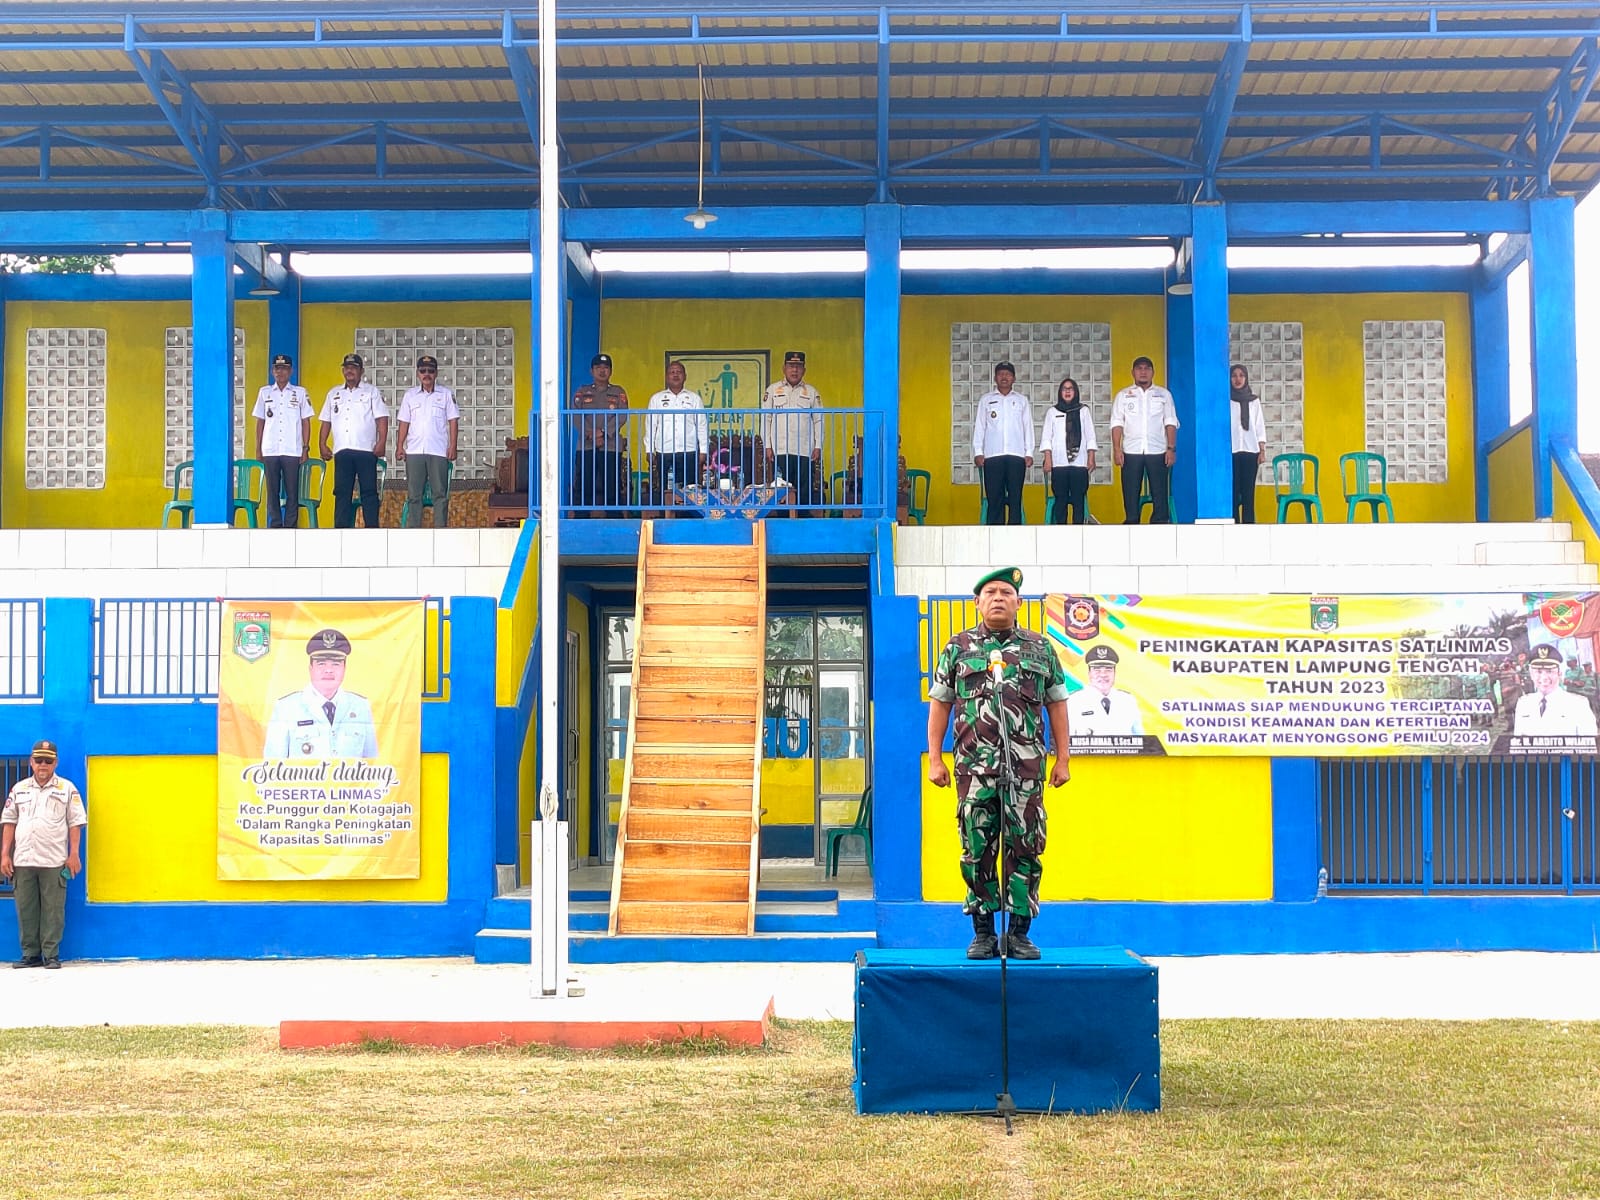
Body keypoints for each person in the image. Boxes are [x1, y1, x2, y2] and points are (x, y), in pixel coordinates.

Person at [927, 567, 1071, 961]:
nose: (998, 598)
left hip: (1025, 769)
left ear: (1019, 603)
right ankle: (984, 932)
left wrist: (1064, 758)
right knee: (977, 848)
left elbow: (1057, 703)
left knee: (1025, 846)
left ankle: (1020, 933)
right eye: (989, 592)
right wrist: (935, 759)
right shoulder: (958, 648)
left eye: (1006, 592)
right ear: (977, 602)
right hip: (974, 769)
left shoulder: (1039, 649)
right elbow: (940, 703)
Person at [1, 739, 86, 969]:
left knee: (53, 910)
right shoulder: (19, 789)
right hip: (23, 860)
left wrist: (74, 854)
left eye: (48, 761)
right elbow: (9, 822)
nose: (42, 765)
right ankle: (31, 955)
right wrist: (4, 855)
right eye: (38, 760)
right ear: (31, 761)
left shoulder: (67, 789)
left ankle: (51, 955)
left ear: (55, 763)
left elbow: (75, 823)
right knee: (26, 909)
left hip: (53, 861)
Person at [262, 629, 379, 759]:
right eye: (321, 663)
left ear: (344, 669)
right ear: (310, 668)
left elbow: (371, 766)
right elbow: (272, 767)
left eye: (336, 664)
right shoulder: (286, 707)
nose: (328, 670)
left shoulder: (360, 706)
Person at [319, 353, 390, 529]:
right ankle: (341, 531)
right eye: (347, 367)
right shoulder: (333, 393)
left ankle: (372, 530)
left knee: (368, 492)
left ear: (361, 371)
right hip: (342, 450)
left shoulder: (371, 391)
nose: (350, 371)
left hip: (366, 450)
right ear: (343, 370)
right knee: (342, 492)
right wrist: (322, 444)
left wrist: (381, 442)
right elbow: (326, 420)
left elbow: (381, 418)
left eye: (354, 367)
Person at [1109, 355, 1179, 525]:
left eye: (1147, 368)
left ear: (1153, 372)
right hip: (1131, 451)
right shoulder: (1124, 395)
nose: (1143, 372)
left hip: (1158, 451)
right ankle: (1132, 522)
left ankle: (1160, 522)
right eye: (1139, 368)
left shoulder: (1163, 395)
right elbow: (1117, 423)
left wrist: (1171, 449)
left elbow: (1170, 422)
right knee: (1130, 491)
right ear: (1133, 372)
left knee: (1160, 491)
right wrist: (1117, 449)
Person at [395, 354, 459, 528]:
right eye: (423, 371)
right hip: (414, 451)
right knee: (414, 495)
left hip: (438, 450)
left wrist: (453, 446)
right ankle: (414, 532)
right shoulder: (410, 395)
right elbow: (404, 422)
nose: (427, 374)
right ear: (418, 374)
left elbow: (453, 420)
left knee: (440, 494)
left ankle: (440, 531)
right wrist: (399, 446)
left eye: (430, 371)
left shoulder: (446, 394)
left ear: (436, 373)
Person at [762, 350, 825, 516]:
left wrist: (818, 446)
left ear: (804, 370)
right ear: (784, 368)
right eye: (791, 366)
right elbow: (765, 419)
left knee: (804, 491)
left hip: (804, 451)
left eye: (798, 366)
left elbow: (819, 420)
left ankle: (803, 522)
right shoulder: (773, 390)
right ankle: (783, 522)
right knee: (781, 491)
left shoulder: (812, 392)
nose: (794, 370)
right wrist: (767, 446)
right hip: (780, 450)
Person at [252, 353, 311, 529]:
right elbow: (260, 422)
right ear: (272, 371)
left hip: (292, 449)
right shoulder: (265, 392)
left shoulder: (299, 393)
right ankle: (276, 524)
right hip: (270, 449)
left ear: (290, 371)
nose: (280, 372)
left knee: (292, 491)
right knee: (273, 491)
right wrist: (258, 448)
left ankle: (291, 525)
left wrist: (305, 448)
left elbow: (305, 421)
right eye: (277, 368)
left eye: (284, 368)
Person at [972, 362, 1034, 526]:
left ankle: (1015, 536)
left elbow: (1028, 427)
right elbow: (980, 426)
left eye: (1007, 374)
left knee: (1015, 498)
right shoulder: (986, 400)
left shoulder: (1021, 400)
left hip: (1016, 456)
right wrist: (978, 451)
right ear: (995, 378)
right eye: (1000, 374)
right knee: (994, 499)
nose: (1004, 377)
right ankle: (993, 538)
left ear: (1013, 378)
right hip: (992, 456)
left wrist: (1029, 453)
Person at [570, 352, 630, 517]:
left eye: (606, 368)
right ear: (591, 371)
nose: (602, 371)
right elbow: (576, 415)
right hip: (586, 445)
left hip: (610, 446)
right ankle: (581, 519)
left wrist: (602, 433)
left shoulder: (618, 392)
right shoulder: (582, 392)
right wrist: (590, 434)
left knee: (612, 484)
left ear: (610, 371)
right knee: (583, 484)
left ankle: (614, 519)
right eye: (598, 368)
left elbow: (621, 415)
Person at [644, 360, 708, 513]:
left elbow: (702, 425)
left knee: (689, 488)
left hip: (689, 449)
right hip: (663, 450)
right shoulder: (657, 399)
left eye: (679, 372)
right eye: (672, 372)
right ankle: (664, 516)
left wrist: (703, 450)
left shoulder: (694, 399)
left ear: (685, 376)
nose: (675, 375)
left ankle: (688, 517)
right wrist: (649, 449)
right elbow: (650, 425)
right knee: (664, 486)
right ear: (666, 377)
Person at [1037, 376, 1096, 525]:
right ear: (1060, 392)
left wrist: (1091, 458)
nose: (1068, 391)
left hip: (1079, 464)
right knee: (1060, 500)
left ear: (1075, 392)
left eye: (1071, 389)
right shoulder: (1052, 411)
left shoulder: (1083, 411)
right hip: (1059, 463)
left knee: (1078, 500)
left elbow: (1090, 436)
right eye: (1065, 389)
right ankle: (1061, 531)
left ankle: (1078, 531)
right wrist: (1048, 458)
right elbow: (1046, 438)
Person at [1513, 644, 1599, 736]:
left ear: (1559, 674)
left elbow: (1589, 746)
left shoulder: (1578, 704)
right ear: (1531, 674)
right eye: (1538, 671)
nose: (1544, 677)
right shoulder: (1524, 703)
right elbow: (1518, 745)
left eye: (1550, 671)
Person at [1071, 644, 1144, 736]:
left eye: (1108, 669)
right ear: (1089, 673)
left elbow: (1140, 741)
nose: (1103, 674)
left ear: (1114, 673)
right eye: (1097, 669)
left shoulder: (1128, 700)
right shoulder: (1073, 701)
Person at [1229, 364, 1267, 524]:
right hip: (1231, 451)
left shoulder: (1254, 401)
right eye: (1234, 376)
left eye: (1241, 375)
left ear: (1246, 378)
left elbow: (1259, 425)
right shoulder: (1226, 399)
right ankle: (1234, 524)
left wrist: (1262, 450)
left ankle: (1249, 525)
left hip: (1250, 451)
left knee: (1248, 491)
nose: (1238, 379)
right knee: (1233, 491)